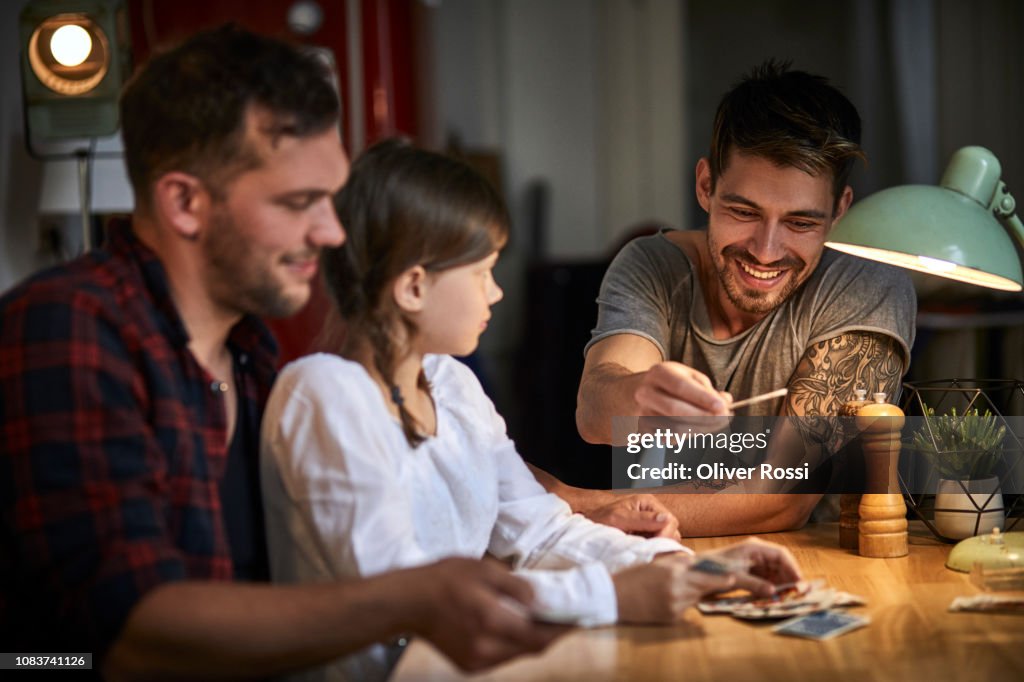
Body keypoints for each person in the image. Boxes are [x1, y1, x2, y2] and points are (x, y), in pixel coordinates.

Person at [0, 25, 563, 679]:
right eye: (300, 203)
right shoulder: (68, 326)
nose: (329, 232)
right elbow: (128, 634)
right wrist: (415, 599)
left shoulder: (251, 354)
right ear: (184, 202)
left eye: (331, 199)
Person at [260, 138, 803, 682]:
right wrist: (613, 594)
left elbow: (541, 534)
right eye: (482, 272)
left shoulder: (452, 385)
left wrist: (678, 567)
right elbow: (411, 601)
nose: (495, 293)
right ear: (414, 287)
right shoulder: (323, 396)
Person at [536, 60, 916, 536]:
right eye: (743, 211)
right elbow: (593, 416)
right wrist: (636, 392)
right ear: (705, 185)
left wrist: (573, 504)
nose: (766, 250)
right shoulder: (651, 265)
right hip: (662, 557)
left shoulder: (870, 287)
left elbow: (783, 500)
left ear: (839, 209)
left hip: (818, 567)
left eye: (801, 223)